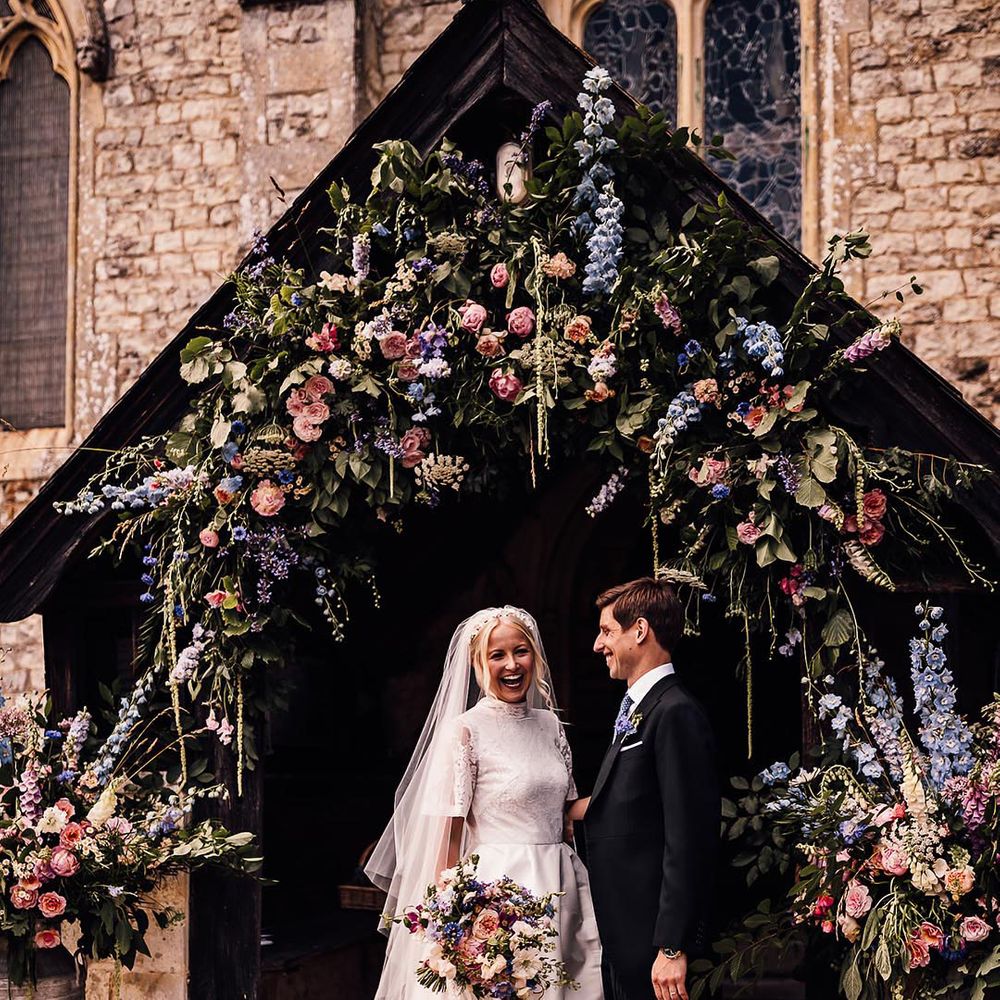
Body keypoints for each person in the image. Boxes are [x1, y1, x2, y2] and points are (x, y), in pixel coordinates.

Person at [365, 606, 605, 999]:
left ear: (536, 656)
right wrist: (449, 921)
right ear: (477, 663)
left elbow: (565, 811)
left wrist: (627, 790)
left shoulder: (551, 726)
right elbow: (447, 837)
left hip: (562, 887)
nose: (512, 665)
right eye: (497, 655)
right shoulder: (465, 732)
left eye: (521, 651)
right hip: (499, 897)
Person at [575, 578, 719, 1000]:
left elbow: (688, 835)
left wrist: (672, 945)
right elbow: (629, 806)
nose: (598, 646)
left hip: (656, 951)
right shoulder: (639, 709)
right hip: (623, 940)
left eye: (606, 632)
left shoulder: (675, 712)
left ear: (639, 631)